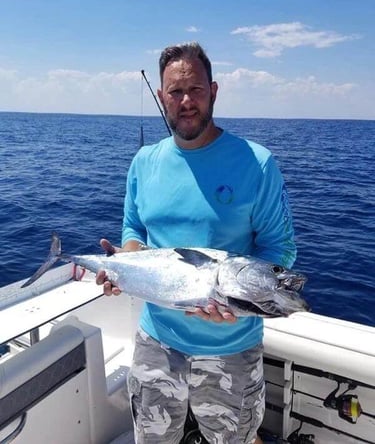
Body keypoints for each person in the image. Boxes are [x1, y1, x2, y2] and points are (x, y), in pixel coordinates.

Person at [96, 42, 296, 444]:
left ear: (214, 91)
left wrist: (242, 308)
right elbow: (133, 230)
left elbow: (280, 250)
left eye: (196, 90)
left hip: (232, 347)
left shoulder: (256, 163)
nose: (186, 101)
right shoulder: (144, 162)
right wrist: (125, 266)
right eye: (175, 92)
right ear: (161, 97)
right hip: (156, 343)